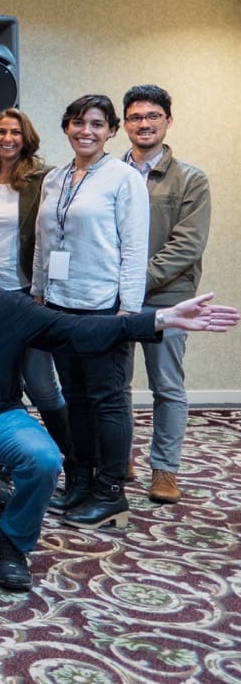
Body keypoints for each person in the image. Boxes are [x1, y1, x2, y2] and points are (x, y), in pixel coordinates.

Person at [0, 220, 235, 592]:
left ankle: (13, 545)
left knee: (44, 458)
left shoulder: (7, 306)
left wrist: (159, 319)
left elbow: (76, 331)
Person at [31, 95, 149, 528]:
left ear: (111, 131)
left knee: (108, 401)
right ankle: (80, 480)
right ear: (66, 127)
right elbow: (44, 242)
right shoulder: (55, 178)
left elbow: (135, 248)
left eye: (97, 124)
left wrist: (129, 311)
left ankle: (111, 491)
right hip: (60, 306)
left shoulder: (124, 178)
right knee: (75, 398)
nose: (86, 131)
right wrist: (38, 293)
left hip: (104, 308)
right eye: (78, 122)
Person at [121, 84, 211, 505]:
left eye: (152, 116)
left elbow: (186, 246)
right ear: (124, 124)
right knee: (115, 385)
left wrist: (134, 280)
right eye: (136, 117)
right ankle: (120, 458)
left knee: (167, 386)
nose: (144, 123)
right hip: (117, 300)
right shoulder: (110, 173)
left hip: (168, 298)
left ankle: (165, 470)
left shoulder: (191, 179)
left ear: (168, 121)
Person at [0, 109, 70, 459]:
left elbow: (55, 234)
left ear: (26, 137)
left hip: (27, 292)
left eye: (15, 132)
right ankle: (13, 455)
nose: (7, 138)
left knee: (41, 383)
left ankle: (72, 459)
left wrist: (46, 287)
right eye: (1, 132)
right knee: (0, 381)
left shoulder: (43, 179)